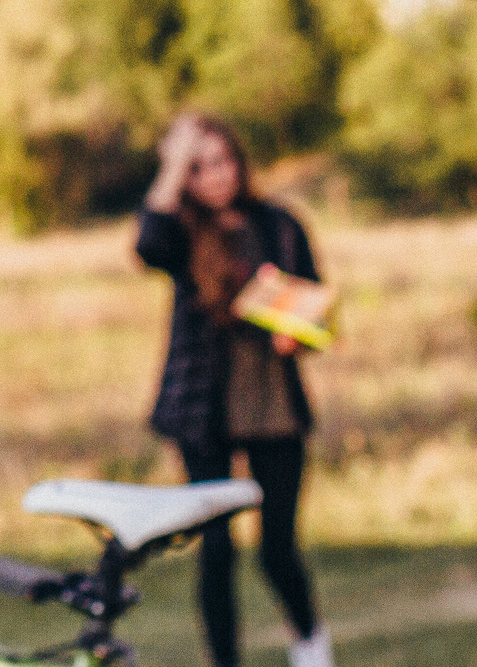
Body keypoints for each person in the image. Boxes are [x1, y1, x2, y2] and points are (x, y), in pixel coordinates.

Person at [139, 113, 332, 667]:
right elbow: (147, 241)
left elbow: (314, 302)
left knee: (278, 547)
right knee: (216, 551)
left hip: (274, 407)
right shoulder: (180, 232)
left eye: (221, 161)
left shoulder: (279, 224)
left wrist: (301, 335)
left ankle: (311, 645)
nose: (214, 176)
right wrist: (173, 163)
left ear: (240, 161)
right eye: (197, 168)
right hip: (204, 415)